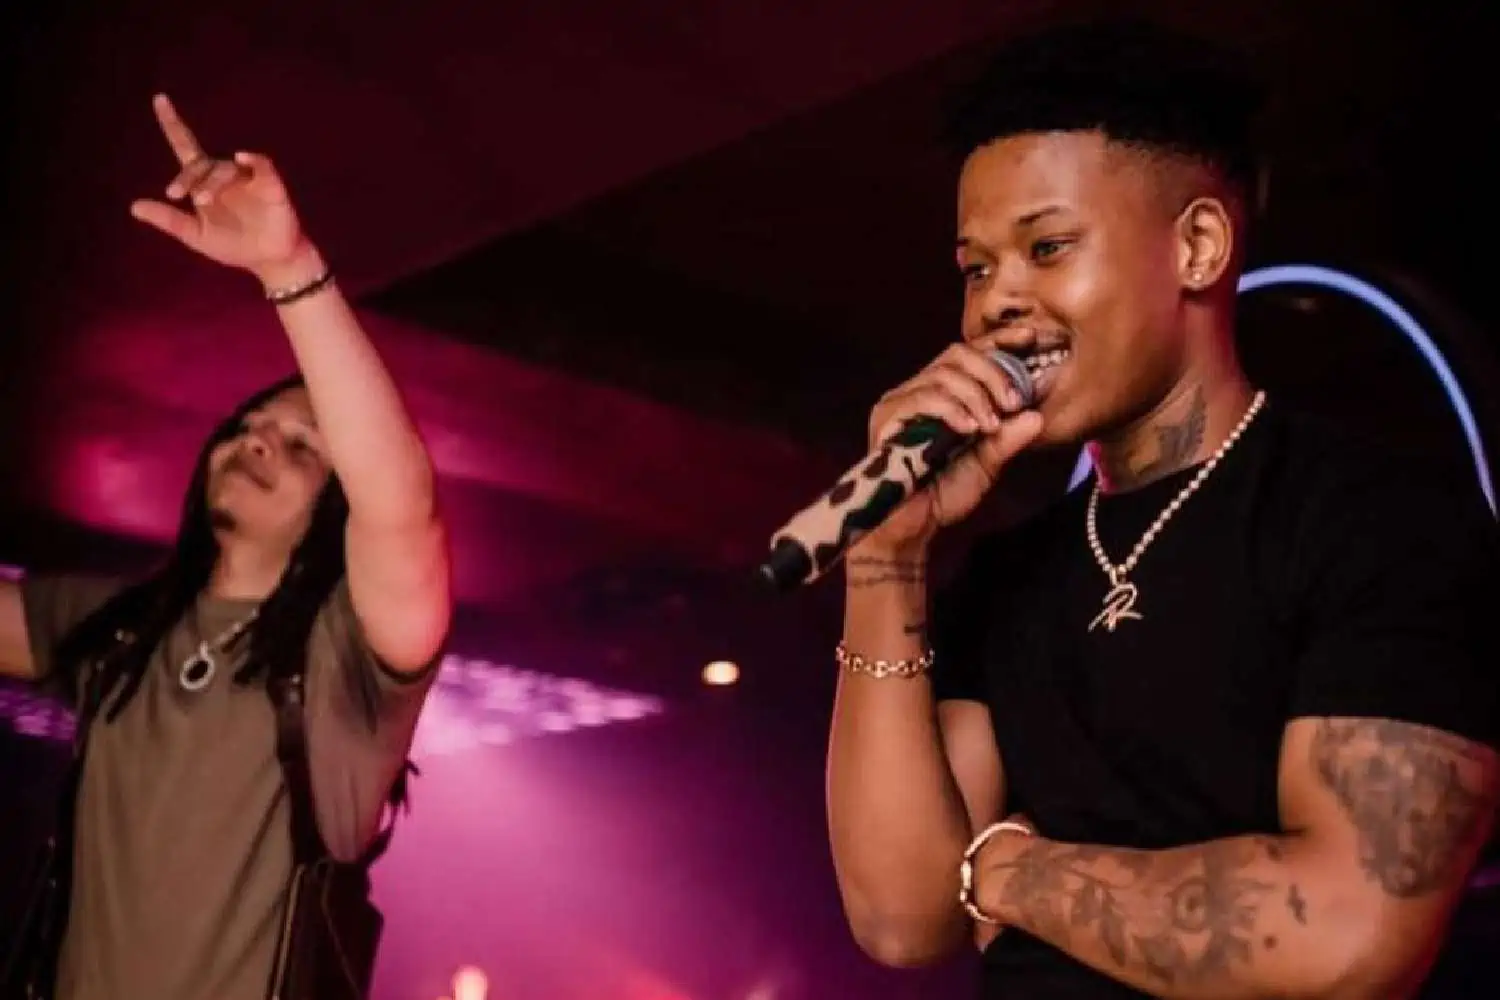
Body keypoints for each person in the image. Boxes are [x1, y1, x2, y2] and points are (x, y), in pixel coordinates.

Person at [824, 19, 1500, 999]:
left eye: (1047, 247)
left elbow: (1350, 935)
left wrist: (1004, 870)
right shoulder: (1009, 577)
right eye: (977, 267)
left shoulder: (1378, 520)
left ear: (1197, 245)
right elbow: (901, 916)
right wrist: (886, 557)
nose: (997, 303)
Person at [0, 94, 451, 1000]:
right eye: (248, 427)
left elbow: (402, 507)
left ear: (335, 512)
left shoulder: (345, 669)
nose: (258, 443)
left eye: (300, 448)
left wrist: (290, 268)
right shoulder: (122, 629)